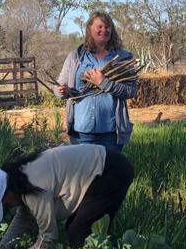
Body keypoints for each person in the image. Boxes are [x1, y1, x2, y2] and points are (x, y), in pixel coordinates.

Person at [0, 144, 135, 249]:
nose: (8, 206)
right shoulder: (22, 177)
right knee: (80, 231)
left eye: (5, 203)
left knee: (79, 233)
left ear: (8, 190)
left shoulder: (33, 185)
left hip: (110, 171)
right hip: (104, 165)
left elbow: (48, 235)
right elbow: (22, 219)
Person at [56, 11, 138, 151]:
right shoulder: (76, 57)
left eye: (107, 27)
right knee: (83, 172)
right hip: (81, 132)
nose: (104, 30)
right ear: (89, 29)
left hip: (111, 133)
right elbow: (59, 87)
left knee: (108, 172)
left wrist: (103, 82)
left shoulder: (123, 58)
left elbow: (130, 91)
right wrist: (62, 91)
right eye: (99, 26)